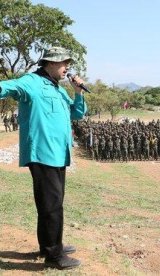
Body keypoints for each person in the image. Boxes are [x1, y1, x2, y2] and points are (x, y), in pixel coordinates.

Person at [0, 46, 87, 270]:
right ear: (49, 63)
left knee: (51, 204)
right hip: (42, 153)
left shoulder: (58, 89)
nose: (67, 66)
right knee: (52, 206)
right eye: (62, 62)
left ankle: (50, 245)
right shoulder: (32, 82)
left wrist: (78, 92)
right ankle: (54, 256)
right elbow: (6, 87)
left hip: (59, 154)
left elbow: (76, 114)